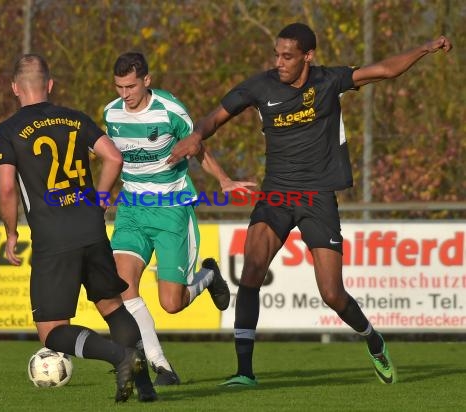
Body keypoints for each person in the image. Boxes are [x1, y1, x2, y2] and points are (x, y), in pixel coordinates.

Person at [168, 23, 453, 386]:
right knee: (252, 272)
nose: (280, 61)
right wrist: (196, 135)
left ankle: (372, 339)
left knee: (332, 295)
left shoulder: (329, 81)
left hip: (318, 196)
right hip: (276, 194)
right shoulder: (260, 86)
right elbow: (214, 117)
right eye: (277, 54)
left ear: (308, 56)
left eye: (288, 56)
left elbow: (385, 69)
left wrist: (425, 47)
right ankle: (244, 372)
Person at [0, 54, 158, 402]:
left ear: (14, 88)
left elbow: (6, 187)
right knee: (113, 307)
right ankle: (146, 389)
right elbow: (114, 157)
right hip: (91, 228)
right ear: (50, 85)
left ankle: (119, 356)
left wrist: (11, 233)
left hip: (54, 237)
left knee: (52, 333)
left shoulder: (6, 131)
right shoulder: (75, 118)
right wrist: (100, 195)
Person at [103, 52, 255, 385]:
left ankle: (208, 277)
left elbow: (197, 146)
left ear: (147, 80)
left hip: (171, 210)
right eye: (118, 87)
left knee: (172, 303)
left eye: (130, 86)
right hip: (131, 209)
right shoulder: (111, 113)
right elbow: (112, 159)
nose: (124, 94)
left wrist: (224, 180)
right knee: (123, 288)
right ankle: (162, 367)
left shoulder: (171, 110)